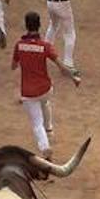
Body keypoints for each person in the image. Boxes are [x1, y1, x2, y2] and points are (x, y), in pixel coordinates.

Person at [12, 10, 81, 159]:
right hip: (45, 88)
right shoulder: (45, 46)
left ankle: (45, 148)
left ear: (26, 25)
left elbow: (13, 66)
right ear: (39, 25)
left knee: (37, 124)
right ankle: (49, 128)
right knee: (45, 102)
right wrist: (74, 78)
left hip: (28, 92)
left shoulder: (19, 45)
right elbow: (61, 66)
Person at [42, 0, 90, 72]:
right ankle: (68, 64)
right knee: (69, 33)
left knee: (53, 26)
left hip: (50, 1)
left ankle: (44, 53)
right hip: (62, 3)